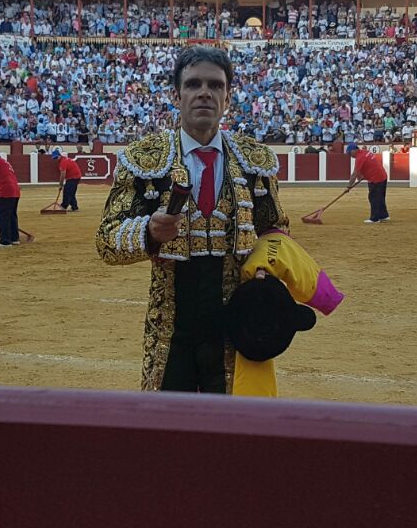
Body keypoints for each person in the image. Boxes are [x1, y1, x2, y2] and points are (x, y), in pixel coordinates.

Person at [96, 46, 288, 393]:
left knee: (231, 427)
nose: (204, 93)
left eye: (215, 85)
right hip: (171, 323)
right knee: (168, 429)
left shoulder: (254, 160)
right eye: (194, 84)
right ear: (176, 94)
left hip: (235, 320)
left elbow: (275, 229)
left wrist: (263, 267)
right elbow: (107, 240)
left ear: (227, 97)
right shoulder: (143, 158)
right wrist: (148, 233)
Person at [347, 142, 389, 223]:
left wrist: (349, 186)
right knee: (380, 197)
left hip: (376, 178)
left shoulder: (359, 157)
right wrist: (362, 176)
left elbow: (355, 173)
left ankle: (374, 218)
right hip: (382, 176)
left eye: (349, 153)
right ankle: (383, 215)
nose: (349, 155)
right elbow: (366, 167)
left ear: (353, 151)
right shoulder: (364, 152)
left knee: (373, 198)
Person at [52, 147, 83, 212]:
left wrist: (60, 185)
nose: (55, 159)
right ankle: (74, 207)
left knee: (67, 192)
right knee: (71, 192)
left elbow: (63, 174)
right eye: (54, 158)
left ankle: (63, 207)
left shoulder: (63, 162)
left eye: (56, 157)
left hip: (73, 177)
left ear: (59, 155)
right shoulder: (64, 160)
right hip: (75, 176)